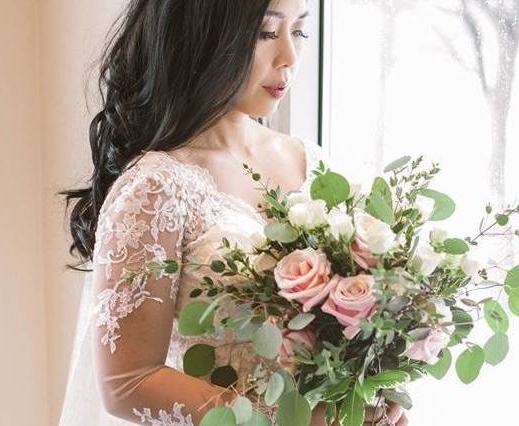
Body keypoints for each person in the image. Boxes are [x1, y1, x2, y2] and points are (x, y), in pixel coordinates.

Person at [58, 1, 409, 425]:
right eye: (265, 33)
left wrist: (371, 394)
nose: (290, 57)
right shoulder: (156, 187)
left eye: (298, 32)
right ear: (204, 33)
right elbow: (127, 382)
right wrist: (287, 421)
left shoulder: (313, 165)